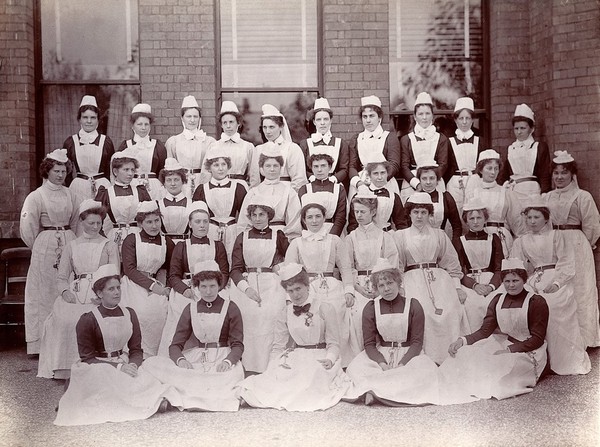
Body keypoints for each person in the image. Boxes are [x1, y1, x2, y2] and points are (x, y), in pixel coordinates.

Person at [54, 264, 174, 426]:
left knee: (148, 370)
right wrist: (118, 368)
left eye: (118, 288)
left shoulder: (129, 313)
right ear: (99, 293)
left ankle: (147, 398)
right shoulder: (88, 319)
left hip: (123, 361)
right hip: (97, 365)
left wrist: (133, 364)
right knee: (107, 378)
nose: (117, 292)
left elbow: (136, 349)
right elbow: (87, 357)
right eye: (111, 289)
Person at [236, 264, 350, 411]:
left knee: (312, 379)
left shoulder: (325, 308)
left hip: (320, 356)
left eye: (298, 289)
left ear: (307, 286)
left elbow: (334, 343)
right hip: (298, 355)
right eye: (290, 291)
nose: (295, 295)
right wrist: (272, 367)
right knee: (279, 376)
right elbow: (278, 345)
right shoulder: (285, 312)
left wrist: (330, 358)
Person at [439, 258, 548, 402]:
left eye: (515, 281)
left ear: (524, 280)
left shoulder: (536, 301)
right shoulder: (498, 299)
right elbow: (485, 331)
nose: (511, 285)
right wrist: (462, 340)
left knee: (500, 369)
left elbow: (537, 339)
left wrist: (510, 350)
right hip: (505, 343)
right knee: (466, 353)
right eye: (507, 281)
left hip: (529, 351)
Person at [144, 260, 244, 412]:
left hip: (222, 359)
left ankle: (185, 394)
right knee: (150, 364)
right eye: (203, 287)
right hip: (197, 359)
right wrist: (181, 360)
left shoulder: (231, 307)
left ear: (219, 285)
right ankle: (195, 391)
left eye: (212, 286)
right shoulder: (190, 308)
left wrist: (228, 362)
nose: (208, 291)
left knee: (228, 377)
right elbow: (175, 345)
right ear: (196, 287)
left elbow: (238, 344)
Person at [38, 200, 120, 379]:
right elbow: (61, 278)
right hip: (76, 292)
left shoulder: (109, 245)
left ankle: (96, 367)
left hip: (101, 292)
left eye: (98, 223)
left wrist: (102, 296)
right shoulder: (71, 246)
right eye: (91, 223)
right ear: (82, 222)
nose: (95, 227)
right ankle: (66, 369)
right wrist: (65, 292)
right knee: (65, 319)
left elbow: (114, 276)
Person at [344, 258, 439, 406]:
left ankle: (375, 391)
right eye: (381, 285)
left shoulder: (413, 305)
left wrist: (402, 364)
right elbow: (369, 344)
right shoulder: (371, 307)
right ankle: (383, 391)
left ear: (398, 283)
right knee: (355, 369)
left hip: (408, 354)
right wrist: (382, 363)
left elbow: (417, 342)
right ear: (376, 288)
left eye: (390, 283)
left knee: (425, 372)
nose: (386, 289)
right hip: (382, 354)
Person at [510, 202, 591, 375]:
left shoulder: (557, 236)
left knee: (552, 305)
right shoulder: (521, 241)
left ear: (546, 219)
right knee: (526, 307)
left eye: (536, 217)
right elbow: (517, 265)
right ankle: (538, 362)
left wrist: (556, 283)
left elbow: (567, 262)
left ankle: (563, 360)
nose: (532, 221)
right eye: (529, 217)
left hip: (555, 278)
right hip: (534, 280)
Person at [394, 192, 469, 365]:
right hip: (412, 280)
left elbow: (451, 262)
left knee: (450, 310)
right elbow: (397, 265)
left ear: (429, 214)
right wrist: (400, 288)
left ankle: (451, 357)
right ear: (409, 213)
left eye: (423, 212)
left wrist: (457, 287)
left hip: (439, 280)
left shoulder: (439, 234)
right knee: (423, 313)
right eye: (415, 212)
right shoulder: (400, 236)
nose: (419, 216)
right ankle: (427, 360)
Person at [20, 149, 78, 355]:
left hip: (68, 239)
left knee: (67, 288)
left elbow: (76, 221)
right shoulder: (36, 196)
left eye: (63, 171)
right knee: (44, 292)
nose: (61, 175)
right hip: (45, 245)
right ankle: (41, 345)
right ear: (47, 171)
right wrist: (40, 245)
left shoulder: (71, 194)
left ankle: (67, 344)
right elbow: (28, 228)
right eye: (56, 171)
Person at [285, 203, 356, 366]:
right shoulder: (297, 242)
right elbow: (289, 272)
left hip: (331, 286)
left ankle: (339, 362)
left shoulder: (335, 240)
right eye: (309, 217)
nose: (314, 220)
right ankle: (314, 361)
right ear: (304, 220)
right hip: (307, 288)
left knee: (337, 317)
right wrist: (289, 298)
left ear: (324, 218)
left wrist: (349, 290)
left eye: (318, 216)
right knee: (311, 322)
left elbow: (345, 267)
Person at [158, 201, 229, 357]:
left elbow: (224, 273)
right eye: (197, 221)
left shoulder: (218, 246)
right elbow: (173, 276)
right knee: (182, 315)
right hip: (188, 290)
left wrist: (215, 289)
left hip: (213, 289)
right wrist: (185, 290)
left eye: (205, 221)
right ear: (190, 224)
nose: (202, 225)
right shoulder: (182, 246)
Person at [543, 150, 600, 348]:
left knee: (580, 289)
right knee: (560, 287)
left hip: (576, 243)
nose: (559, 177)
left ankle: (585, 339)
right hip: (554, 243)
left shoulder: (582, 196)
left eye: (564, 173)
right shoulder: (547, 197)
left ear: (572, 175)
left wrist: (582, 244)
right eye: (556, 173)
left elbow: (592, 226)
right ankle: (563, 342)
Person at [229, 197, 290, 373]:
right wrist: (246, 289)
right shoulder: (243, 236)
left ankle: (270, 368)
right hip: (247, 288)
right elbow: (235, 269)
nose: (257, 218)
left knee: (271, 323)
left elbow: (289, 261)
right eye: (253, 215)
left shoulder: (278, 236)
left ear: (269, 216)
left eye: (261, 214)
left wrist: (280, 266)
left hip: (272, 286)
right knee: (249, 325)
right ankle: (249, 369)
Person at [345, 190, 399, 357]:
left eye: (363, 211)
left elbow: (392, 264)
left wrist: (380, 287)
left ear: (373, 212)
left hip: (382, 284)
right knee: (355, 315)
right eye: (356, 212)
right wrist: (358, 288)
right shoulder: (351, 237)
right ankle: (361, 356)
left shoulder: (385, 236)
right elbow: (348, 267)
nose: (359, 215)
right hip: (359, 285)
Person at [120, 201, 175, 357]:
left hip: (157, 284)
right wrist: (152, 286)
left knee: (161, 311)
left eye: (157, 221)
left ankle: (153, 355)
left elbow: (168, 268)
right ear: (140, 223)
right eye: (149, 222)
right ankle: (135, 353)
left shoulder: (167, 242)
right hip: (133, 284)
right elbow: (129, 270)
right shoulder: (131, 240)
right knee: (140, 312)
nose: (154, 226)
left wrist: (162, 286)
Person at [192, 146, 247, 262]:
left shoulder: (238, 187)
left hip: (232, 231)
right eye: (216, 165)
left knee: (232, 260)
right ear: (209, 168)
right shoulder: (202, 189)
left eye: (223, 164)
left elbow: (245, 215)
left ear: (228, 166)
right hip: (210, 231)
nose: (220, 169)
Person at [456, 199, 503, 332]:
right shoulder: (460, 241)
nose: (475, 222)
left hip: (492, 280)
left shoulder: (494, 238)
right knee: (472, 305)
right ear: (466, 221)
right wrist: (475, 286)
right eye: (471, 218)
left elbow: (499, 268)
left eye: (479, 217)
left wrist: (491, 286)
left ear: (485, 219)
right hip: (471, 283)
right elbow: (459, 271)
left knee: (497, 302)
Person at [464, 149, 522, 254]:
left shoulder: (506, 192)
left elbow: (516, 220)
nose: (493, 172)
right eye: (489, 168)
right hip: (479, 237)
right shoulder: (473, 193)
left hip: (501, 236)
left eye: (496, 168)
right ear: (481, 170)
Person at [238, 145, 302, 239]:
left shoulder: (289, 192)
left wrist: (286, 242)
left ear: (281, 168)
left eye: (275, 166)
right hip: (256, 238)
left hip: (281, 237)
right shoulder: (253, 192)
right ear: (261, 169)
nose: (272, 169)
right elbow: (244, 223)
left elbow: (294, 222)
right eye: (268, 166)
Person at [63, 95, 114, 209]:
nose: (89, 121)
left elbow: (109, 169)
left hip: (102, 186)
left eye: (93, 117)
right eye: (85, 117)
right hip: (78, 187)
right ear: (79, 119)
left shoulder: (105, 141)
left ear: (98, 119)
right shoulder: (71, 142)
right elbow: (67, 171)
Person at [95, 150, 151, 249]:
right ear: (115, 171)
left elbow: (150, 218)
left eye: (132, 170)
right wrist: (104, 239)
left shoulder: (140, 191)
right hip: (116, 237)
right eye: (126, 170)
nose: (130, 174)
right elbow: (95, 220)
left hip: (137, 237)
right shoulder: (106, 193)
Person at [348, 95, 401, 199]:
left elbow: (394, 164)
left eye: (372, 116)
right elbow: (352, 166)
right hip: (362, 184)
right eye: (365, 116)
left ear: (379, 118)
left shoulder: (389, 137)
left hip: (385, 181)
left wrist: (378, 180)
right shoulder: (357, 139)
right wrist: (358, 183)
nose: (368, 120)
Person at [399, 92, 449, 203]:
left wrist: (430, 181)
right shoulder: (406, 139)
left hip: (435, 182)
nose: (424, 117)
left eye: (427, 113)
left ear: (433, 115)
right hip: (412, 183)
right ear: (415, 117)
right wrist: (416, 183)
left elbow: (443, 164)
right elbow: (404, 166)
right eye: (421, 114)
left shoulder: (441, 138)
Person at [248, 104, 307, 191]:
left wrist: (288, 197)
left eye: (271, 127)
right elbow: (254, 180)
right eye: (265, 127)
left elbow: (299, 180)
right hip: (264, 193)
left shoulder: (292, 148)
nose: (267, 131)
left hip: (287, 192)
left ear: (281, 127)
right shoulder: (258, 149)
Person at [165, 95, 216, 197]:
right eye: (188, 116)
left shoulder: (209, 141)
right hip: (181, 183)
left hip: (203, 181)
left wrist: (203, 183)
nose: (192, 120)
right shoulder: (173, 141)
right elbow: (170, 168)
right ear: (182, 119)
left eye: (195, 116)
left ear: (200, 119)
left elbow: (210, 168)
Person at [499, 103, 552, 198]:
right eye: (516, 128)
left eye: (523, 128)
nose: (519, 132)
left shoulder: (539, 147)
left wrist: (545, 194)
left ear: (531, 129)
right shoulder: (511, 149)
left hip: (533, 191)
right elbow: (504, 174)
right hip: (514, 191)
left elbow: (545, 174)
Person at [117, 103, 167, 200]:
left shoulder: (157, 146)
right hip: (131, 185)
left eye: (146, 124)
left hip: (153, 186)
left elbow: (162, 170)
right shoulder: (126, 145)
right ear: (133, 126)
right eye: (139, 124)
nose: (143, 128)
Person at [443, 97, 483, 213]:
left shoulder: (479, 141)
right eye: (461, 118)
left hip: (475, 182)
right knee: (455, 213)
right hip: (455, 184)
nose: (464, 122)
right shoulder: (448, 142)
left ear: (472, 120)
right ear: (456, 120)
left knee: (474, 212)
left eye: (467, 118)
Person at [299, 97, 350, 187]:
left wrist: (333, 179)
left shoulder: (340, 143)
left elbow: (344, 169)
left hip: (334, 185)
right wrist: (312, 178)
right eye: (319, 120)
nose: (322, 123)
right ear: (314, 122)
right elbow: (302, 168)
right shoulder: (305, 144)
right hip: (312, 185)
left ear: (331, 121)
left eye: (326, 119)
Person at [413, 161, 462, 249]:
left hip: (441, 242)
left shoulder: (446, 197)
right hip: (418, 244)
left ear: (438, 179)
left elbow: (457, 226)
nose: (428, 182)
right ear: (419, 180)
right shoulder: (413, 199)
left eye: (432, 178)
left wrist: (455, 245)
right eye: (424, 178)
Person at [347, 162, 407, 233]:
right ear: (369, 175)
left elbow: (401, 223)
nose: (380, 177)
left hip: (387, 236)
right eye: (375, 173)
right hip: (364, 237)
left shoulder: (393, 197)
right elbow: (353, 224)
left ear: (387, 174)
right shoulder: (359, 196)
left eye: (383, 173)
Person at [206, 100, 254, 189]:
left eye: (231, 122)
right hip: (218, 187)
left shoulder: (247, 147)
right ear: (221, 125)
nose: (228, 126)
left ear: (238, 123)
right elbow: (206, 173)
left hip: (240, 188)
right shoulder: (213, 146)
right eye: (225, 123)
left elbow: (253, 175)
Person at [297, 153, 347, 236]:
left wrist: (332, 237)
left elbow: (341, 217)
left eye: (323, 166)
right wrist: (311, 234)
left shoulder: (339, 188)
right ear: (311, 168)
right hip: (310, 233)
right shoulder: (304, 189)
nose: (319, 170)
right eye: (316, 166)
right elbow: (301, 216)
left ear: (330, 167)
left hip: (332, 232)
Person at [157, 157, 190, 242]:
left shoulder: (191, 203)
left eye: (176, 180)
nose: (173, 184)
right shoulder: (158, 204)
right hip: (165, 245)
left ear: (183, 181)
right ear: (164, 183)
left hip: (185, 245)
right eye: (168, 180)